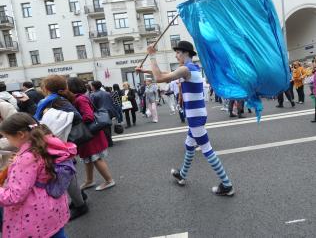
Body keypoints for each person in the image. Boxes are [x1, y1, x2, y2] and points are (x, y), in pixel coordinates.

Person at [137, 40, 234, 196]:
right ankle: (182, 175)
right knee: (189, 145)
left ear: (186, 53)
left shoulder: (185, 69)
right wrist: (145, 71)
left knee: (206, 150)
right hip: (197, 115)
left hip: (195, 117)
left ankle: (227, 184)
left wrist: (152, 56)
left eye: (178, 53)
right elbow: (164, 75)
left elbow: (161, 78)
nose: (176, 56)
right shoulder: (191, 68)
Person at [0, 113, 71, 238]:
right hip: (53, 208)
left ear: (21, 134)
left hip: (34, 217)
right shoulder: (46, 143)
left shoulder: (27, 158)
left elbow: (14, 196)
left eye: (7, 137)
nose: (8, 141)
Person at [34, 75, 88, 220]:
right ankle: (79, 197)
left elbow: (76, 117)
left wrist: (58, 123)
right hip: (60, 142)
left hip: (59, 143)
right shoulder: (57, 99)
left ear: (45, 88)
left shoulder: (54, 100)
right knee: (68, 171)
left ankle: (80, 205)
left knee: (65, 172)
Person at [67, 77, 116, 191]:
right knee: (88, 158)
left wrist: (75, 123)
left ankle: (109, 180)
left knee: (96, 158)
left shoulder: (80, 99)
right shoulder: (81, 97)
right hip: (89, 133)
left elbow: (88, 116)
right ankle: (89, 180)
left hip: (89, 134)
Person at [90, 81, 116, 147]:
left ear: (93, 87)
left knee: (103, 128)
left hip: (101, 113)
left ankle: (108, 142)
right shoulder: (107, 93)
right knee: (108, 126)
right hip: (109, 111)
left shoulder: (93, 95)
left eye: (91, 86)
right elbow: (111, 103)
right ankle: (110, 140)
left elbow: (92, 105)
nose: (91, 87)